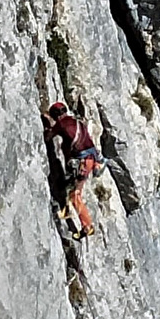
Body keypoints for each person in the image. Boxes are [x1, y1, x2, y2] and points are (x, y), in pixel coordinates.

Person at [43, 102, 101, 238]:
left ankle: (87, 227)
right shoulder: (77, 122)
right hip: (91, 159)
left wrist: (47, 127)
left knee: (75, 194)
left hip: (82, 163)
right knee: (72, 190)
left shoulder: (61, 124)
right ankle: (69, 211)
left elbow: (48, 137)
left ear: (55, 116)